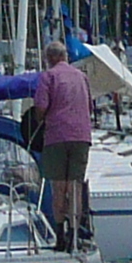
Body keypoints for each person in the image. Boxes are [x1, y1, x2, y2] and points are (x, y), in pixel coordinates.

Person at [31, 41, 94, 250]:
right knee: (75, 186)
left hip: (57, 136)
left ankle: (60, 237)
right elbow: (90, 107)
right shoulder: (81, 77)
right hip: (82, 136)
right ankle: (75, 236)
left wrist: (41, 121)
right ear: (65, 57)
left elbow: (40, 107)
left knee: (59, 187)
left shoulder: (48, 77)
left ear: (49, 58)